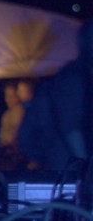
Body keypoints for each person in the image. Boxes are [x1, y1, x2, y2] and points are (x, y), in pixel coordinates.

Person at [17, 20, 93, 170]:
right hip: (68, 168)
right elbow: (70, 129)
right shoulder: (72, 78)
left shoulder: (79, 76)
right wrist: (87, 171)